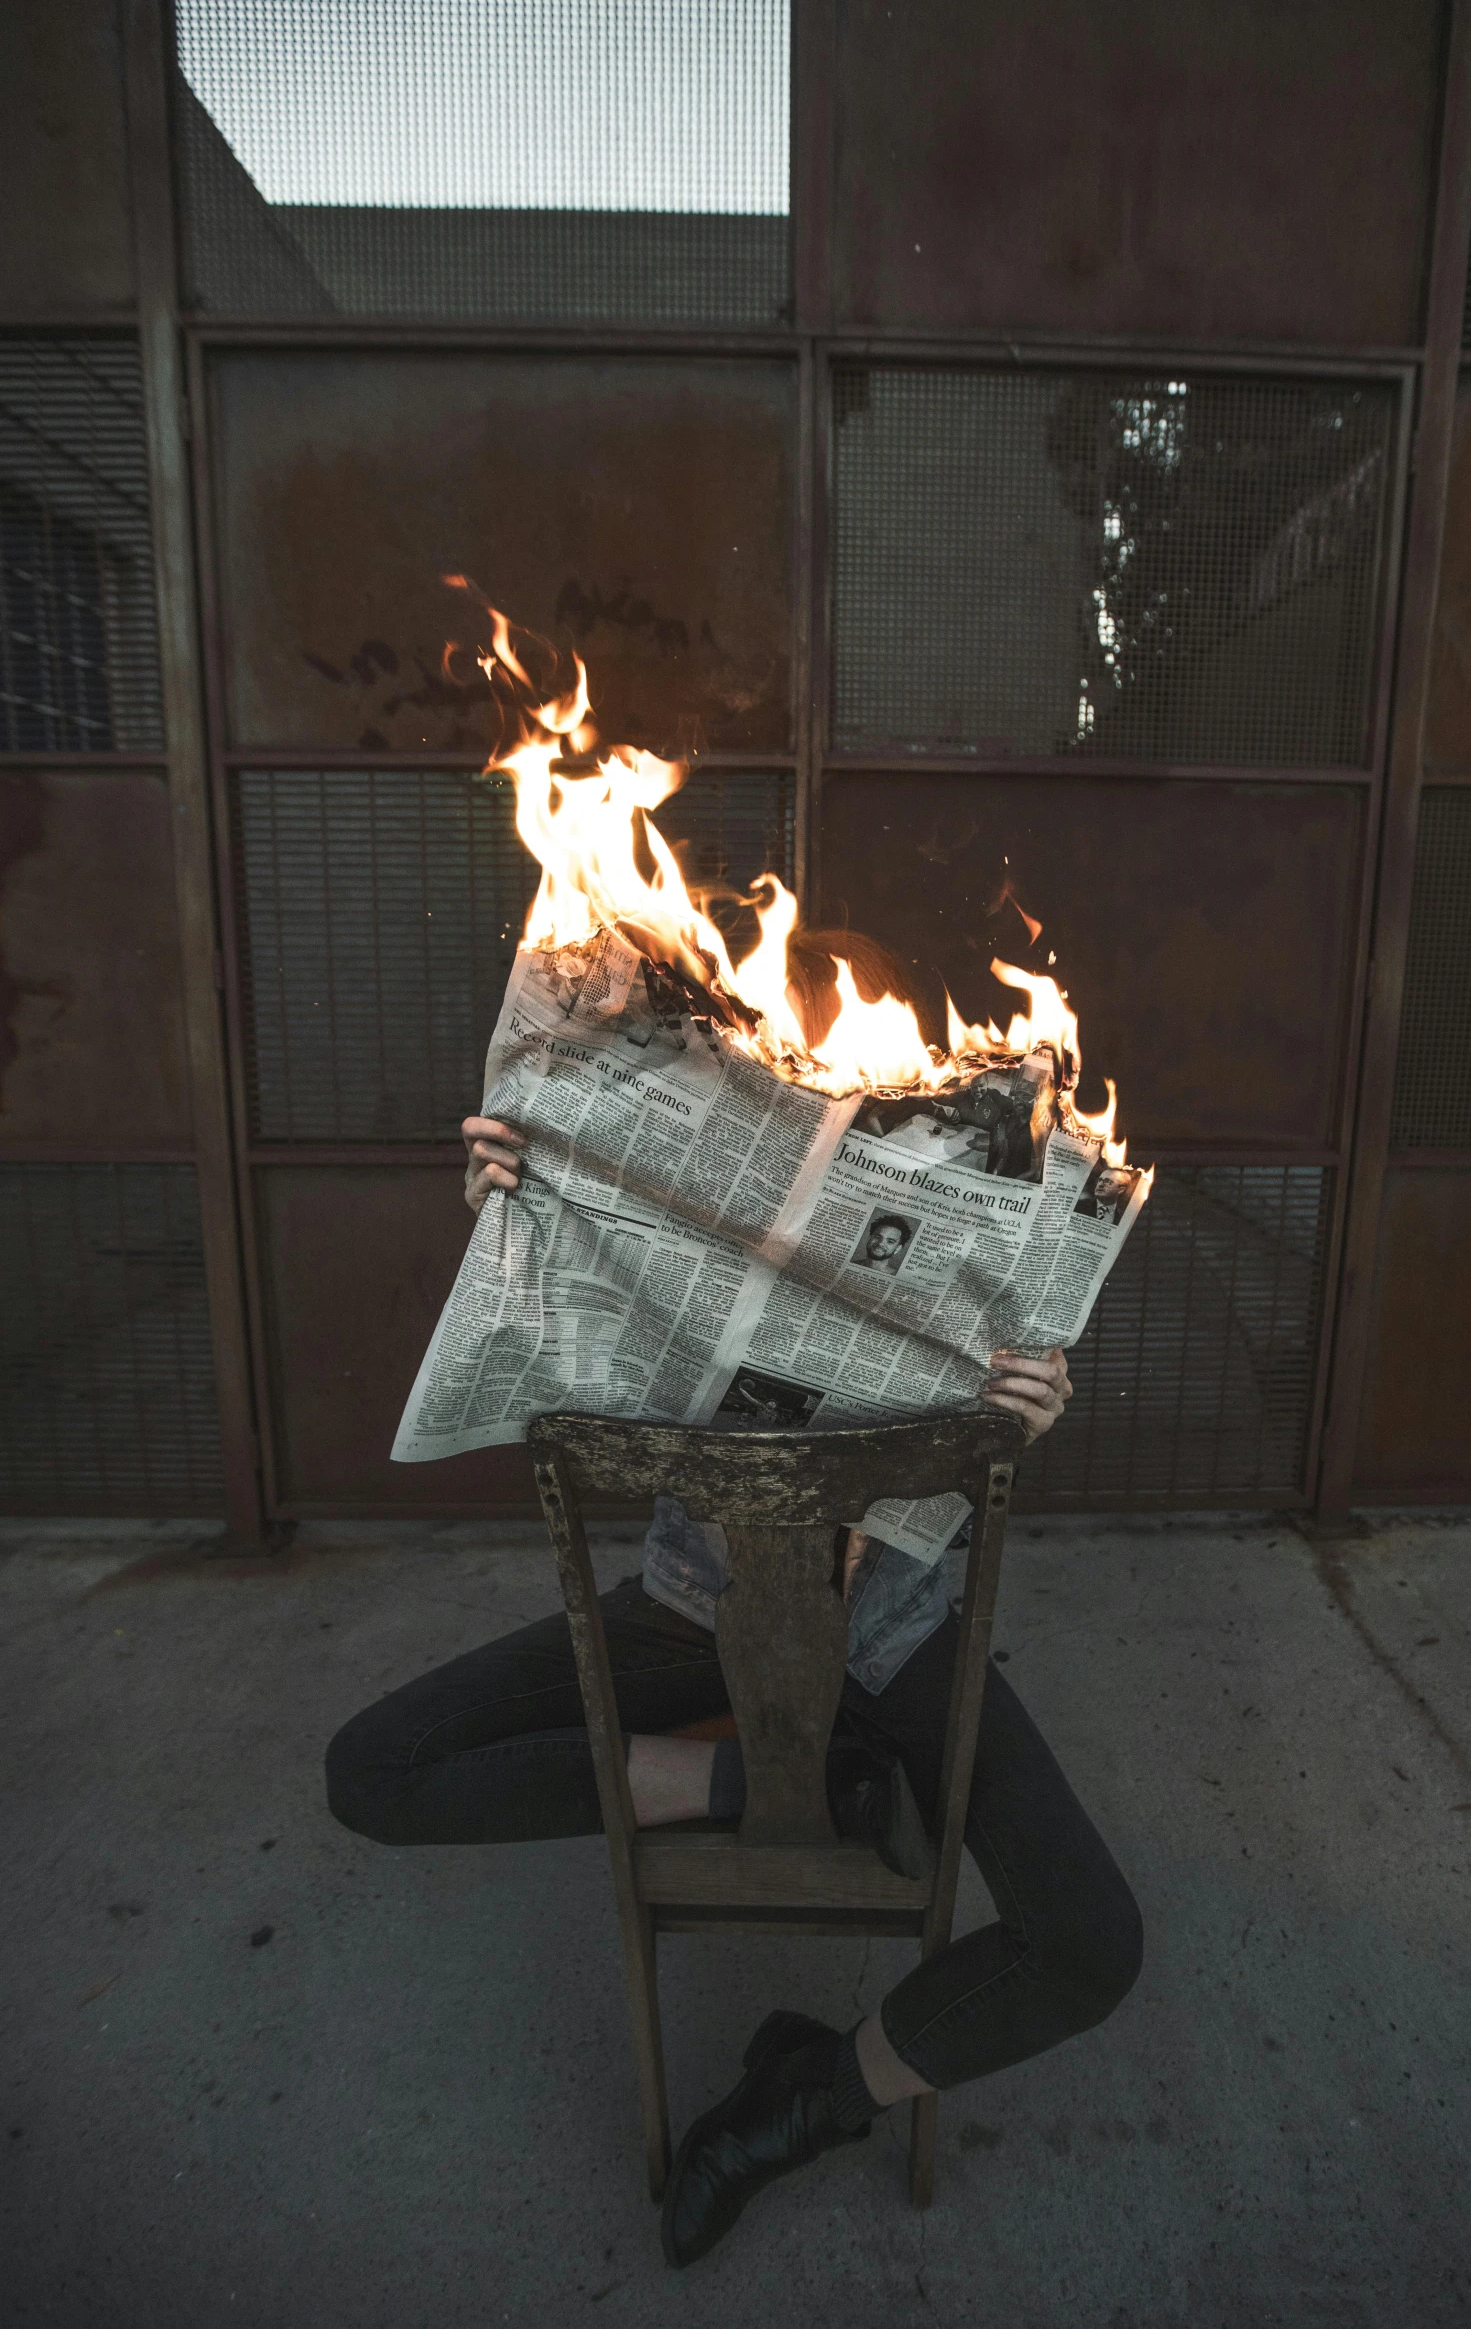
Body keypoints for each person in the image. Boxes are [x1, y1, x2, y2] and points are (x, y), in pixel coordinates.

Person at [324, 927, 1142, 2269]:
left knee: (1088, 1939)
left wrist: (1024, 1406)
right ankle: (773, 1776)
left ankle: (804, 2099)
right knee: (376, 1770)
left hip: (894, 1632)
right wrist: (519, 1217)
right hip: (690, 1609)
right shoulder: (670, 1187)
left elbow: (979, 1427)